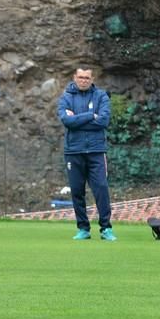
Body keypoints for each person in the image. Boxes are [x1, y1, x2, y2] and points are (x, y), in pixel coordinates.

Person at [57, 67, 117, 241]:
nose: (83, 80)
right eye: (81, 77)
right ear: (75, 77)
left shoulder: (101, 96)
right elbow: (67, 121)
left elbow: (104, 120)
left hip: (96, 151)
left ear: (92, 79)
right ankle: (83, 228)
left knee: (101, 189)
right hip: (73, 151)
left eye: (87, 77)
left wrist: (78, 118)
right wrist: (91, 116)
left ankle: (106, 228)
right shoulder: (66, 97)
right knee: (77, 191)